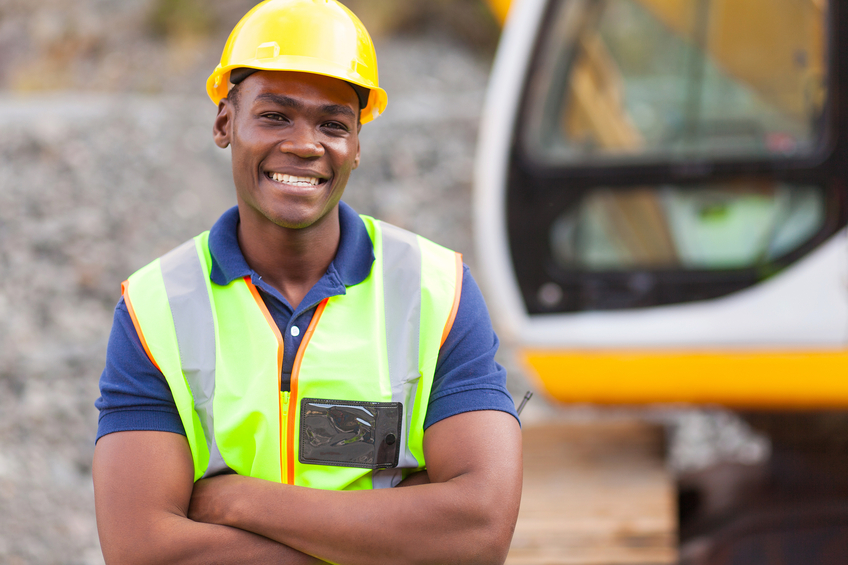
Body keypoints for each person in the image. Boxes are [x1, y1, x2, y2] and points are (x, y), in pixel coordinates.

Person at [92, 1, 522, 563]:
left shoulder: (438, 291)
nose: (304, 143)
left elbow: (478, 531)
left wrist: (236, 501)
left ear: (357, 147)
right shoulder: (156, 309)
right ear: (225, 123)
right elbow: (143, 549)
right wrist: (396, 537)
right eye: (274, 115)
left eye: (333, 124)